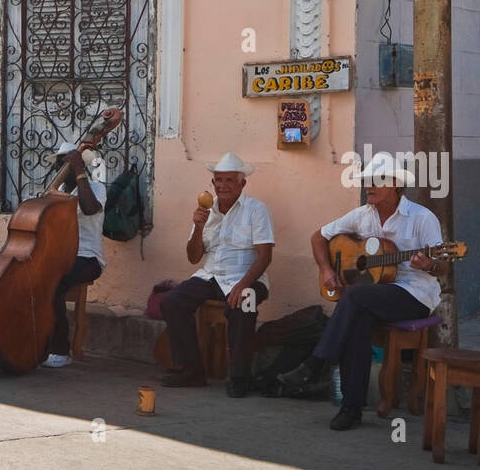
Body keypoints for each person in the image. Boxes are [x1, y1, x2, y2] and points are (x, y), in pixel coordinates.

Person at [277, 152, 447, 431]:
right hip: (374, 295)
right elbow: (318, 237)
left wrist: (429, 263)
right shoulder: (361, 216)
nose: (369, 186)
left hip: (414, 295)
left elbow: (442, 266)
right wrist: (325, 270)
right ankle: (352, 408)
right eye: (368, 180)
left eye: (377, 180)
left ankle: (316, 362)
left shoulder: (421, 217)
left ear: (395, 184)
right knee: (356, 321)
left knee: (354, 297)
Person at [159, 153, 274, 396]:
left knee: (245, 304)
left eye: (229, 180)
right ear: (212, 183)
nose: (222, 185)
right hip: (211, 276)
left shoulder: (256, 209)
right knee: (172, 301)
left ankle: (240, 376)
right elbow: (193, 257)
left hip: (248, 278)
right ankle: (192, 370)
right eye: (218, 180)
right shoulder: (205, 211)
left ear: (242, 183)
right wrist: (198, 228)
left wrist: (243, 284)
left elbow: (264, 256)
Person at [42, 139, 108, 369]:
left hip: (87, 258)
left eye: (70, 162)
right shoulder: (56, 192)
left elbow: (89, 208)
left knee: (55, 282)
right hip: (59, 256)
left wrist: (79, 171)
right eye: (63, 163)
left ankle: (60, 349)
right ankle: (34, 341)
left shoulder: (97, 188)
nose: (65, 167)